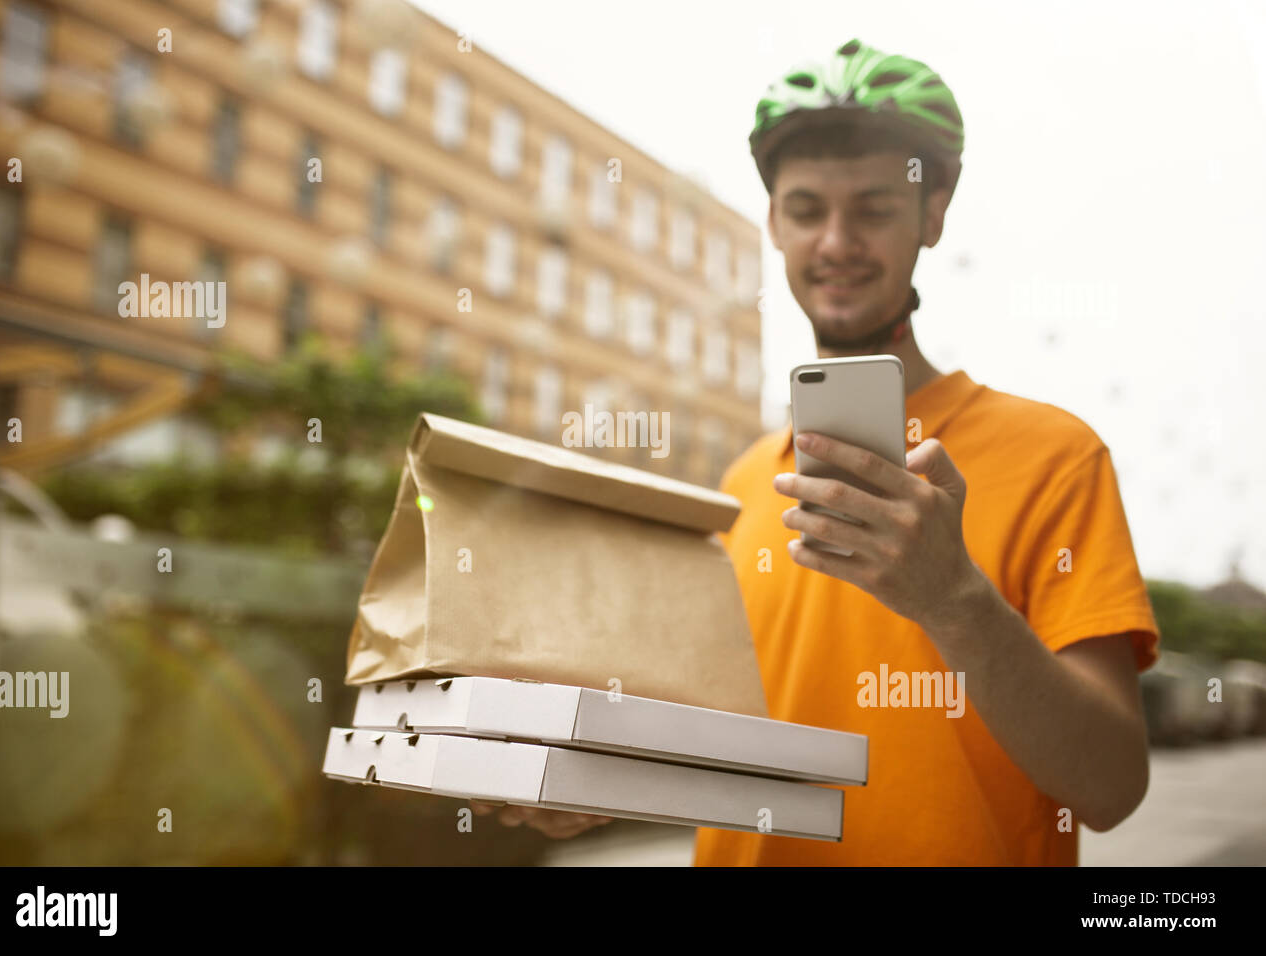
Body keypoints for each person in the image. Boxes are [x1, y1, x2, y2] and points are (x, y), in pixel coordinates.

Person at [478, 38, 1161, 865]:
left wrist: (954, 599)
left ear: (933, 212)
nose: (836, 241)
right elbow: (720, 748)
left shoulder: (1056, 457)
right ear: (774, 223)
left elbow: (1112, 788)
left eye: (874, 208)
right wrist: (588, 780)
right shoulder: (745, 482)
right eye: (806, 210)